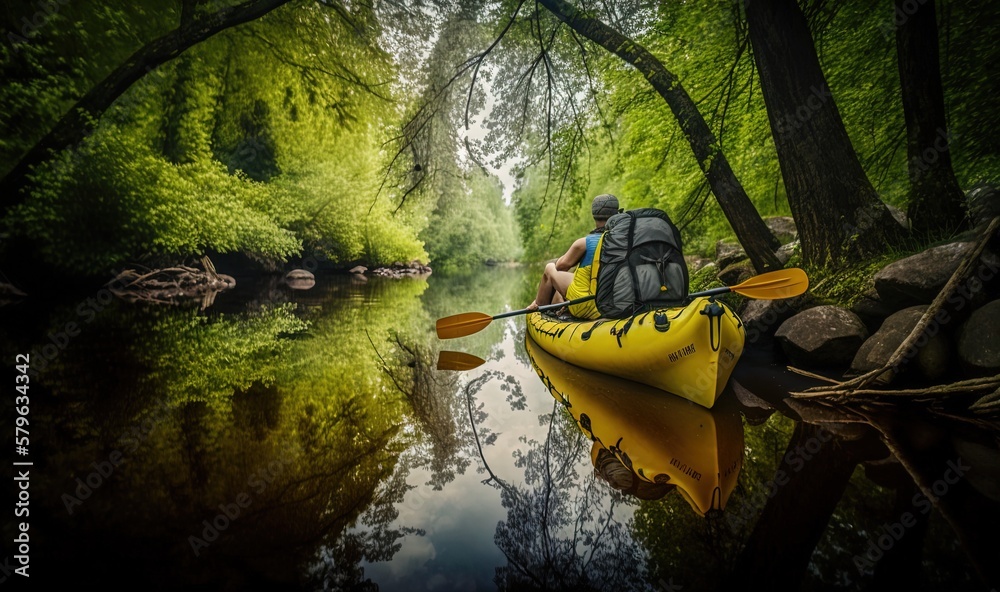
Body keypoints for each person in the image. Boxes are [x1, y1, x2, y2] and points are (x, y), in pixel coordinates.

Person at [526, 194, 620, 319]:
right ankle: (556, 306)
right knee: (572, 281)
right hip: (613, 300)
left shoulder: (584, 243)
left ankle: (538, 308)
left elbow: (560, 266)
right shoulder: (622, 241)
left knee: (550, 268)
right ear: (616, 214)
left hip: (586, 304)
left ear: (594, 215)